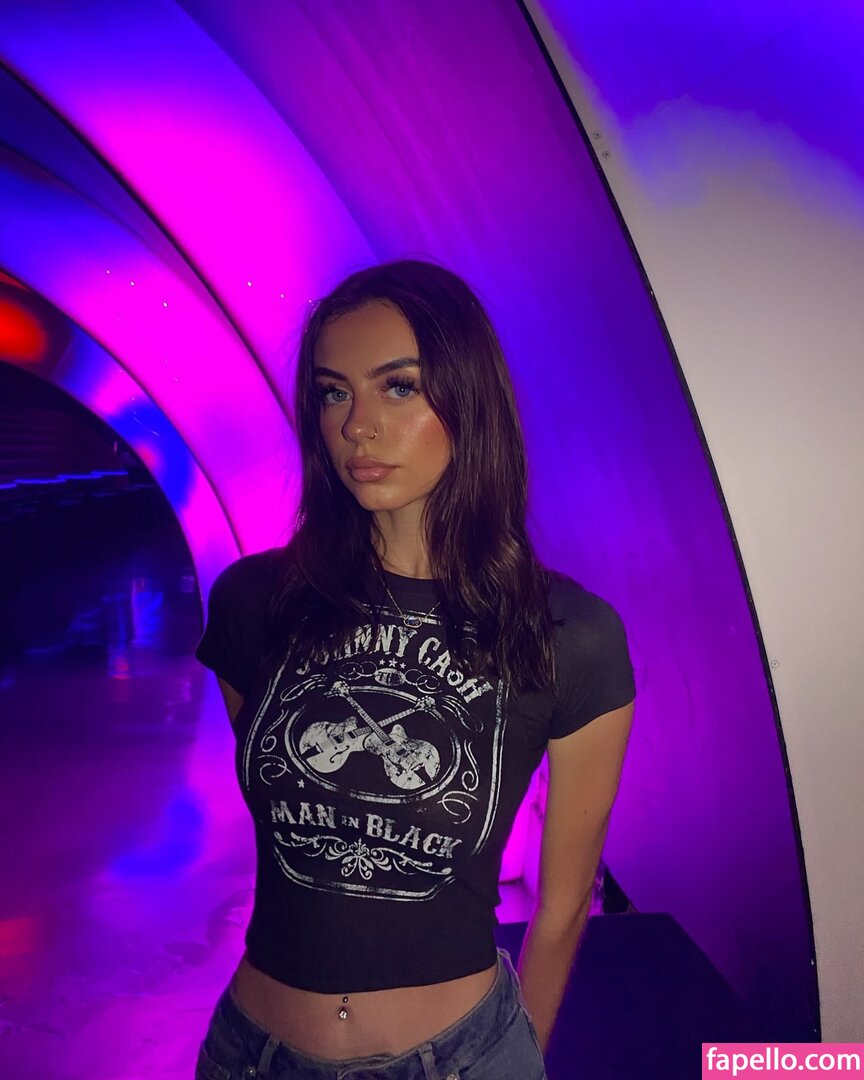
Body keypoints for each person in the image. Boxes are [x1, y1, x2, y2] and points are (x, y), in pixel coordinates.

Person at [193, 260, 636, 1080]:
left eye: (398, 387)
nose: (357, 426)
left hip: (458, 1059)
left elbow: (565, 903)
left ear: (469, 400)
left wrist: (516, 1054)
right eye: (334, 393)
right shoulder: (256, 601)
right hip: (253, 1055)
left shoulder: (568, 635)